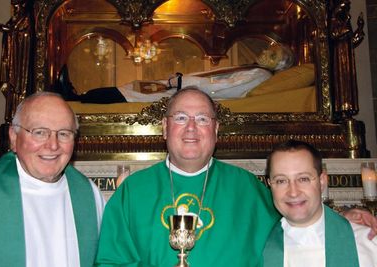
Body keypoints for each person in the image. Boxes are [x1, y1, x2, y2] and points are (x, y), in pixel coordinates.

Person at [95, 87, 377, 267]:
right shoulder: (132, 192)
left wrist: (345, 214)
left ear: (216, 130)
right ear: (164, 128)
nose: (191, 128)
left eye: (203, 119)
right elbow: (110, 262)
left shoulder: (247, 187)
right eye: (181, 118)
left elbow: (298, 217)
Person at [0, 92, 105, 267]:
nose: (53, 145)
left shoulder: (90, 195)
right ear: (14, 137)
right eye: (39, 132)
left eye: (64, 134)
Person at [261, 140, 376, 267]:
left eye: (303, 179)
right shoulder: (256, 247)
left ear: (322, 181)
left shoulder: (369, 243)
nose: (293, 192)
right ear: (270, 185)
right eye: (281, 181)